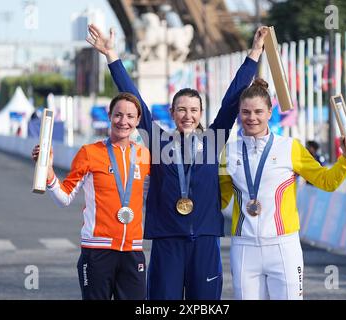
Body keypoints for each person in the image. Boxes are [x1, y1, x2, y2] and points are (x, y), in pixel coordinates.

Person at [86, 23, 268, 299]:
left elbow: (232, 100)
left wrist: (254, 53)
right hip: (167, 240)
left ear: (201, 113)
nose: (187, 115)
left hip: (205, 240)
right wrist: (111, 55)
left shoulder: (212, 141)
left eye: (194, 110)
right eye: (181, 109)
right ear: (172, 112)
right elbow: (135, 101)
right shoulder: (159, 142)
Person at [219, 79, 346, 300]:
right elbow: (220, 199)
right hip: (244, 246)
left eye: (258, 111)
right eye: (245, 112)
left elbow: (326, 181)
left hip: (283, 246)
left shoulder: (290, 148)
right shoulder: (229, 152)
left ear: (269, 112)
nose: (252, 118)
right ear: (239, 113)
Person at [31, 93, 151, 300]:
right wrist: (48, 171)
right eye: (118, 115)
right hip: (97, 251)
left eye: (130, 116)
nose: (124, 121)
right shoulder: (89, 153)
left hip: (133, 251)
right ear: (109, 116)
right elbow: (64, 198)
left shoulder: (145, 156)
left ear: (138, 120)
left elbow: (153, 196)